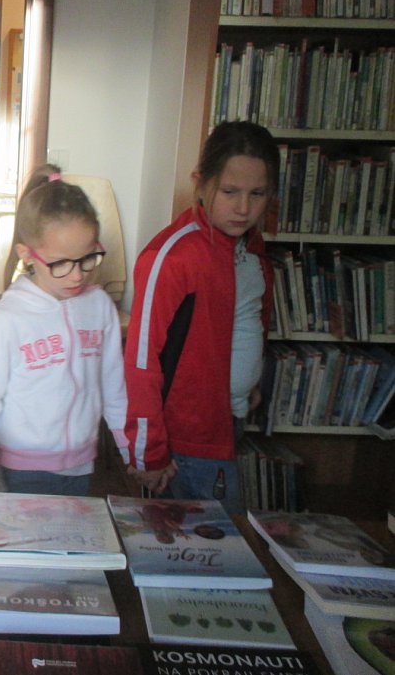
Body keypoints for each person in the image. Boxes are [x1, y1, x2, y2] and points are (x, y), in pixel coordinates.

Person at [123, 120, 280, 515]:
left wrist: (250, 383)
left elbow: (247, 321)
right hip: (186, 441)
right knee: (205, 541)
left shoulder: (252, 250)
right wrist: (149, 454)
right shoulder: (172, 257)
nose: (243, 208)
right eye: (229, 192)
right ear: (200, 183)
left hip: (231, 421)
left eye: (257, 194)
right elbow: (141, 360)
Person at [0, 166, 129, 496]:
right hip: (22, 469)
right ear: (27, 255)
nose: (77, 275)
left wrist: (131, 449)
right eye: (61, 263)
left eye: (87, 258)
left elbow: (113, 384)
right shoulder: (5, 319)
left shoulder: (100, 306)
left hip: (82, 463)